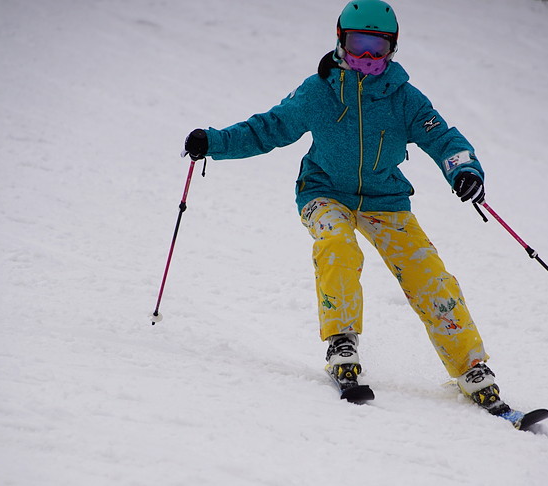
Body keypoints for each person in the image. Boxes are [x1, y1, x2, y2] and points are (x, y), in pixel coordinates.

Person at [184, 0, 509, 415]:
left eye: (379, 46)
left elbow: (443, 138)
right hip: (323, 193)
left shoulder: (404, 98)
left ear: (393, 48)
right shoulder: (318, 91)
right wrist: (213, 142)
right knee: (337, 246)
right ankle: (342, 342)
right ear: (341, 41)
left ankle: (471, 367)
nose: (368, 57)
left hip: (385, 200)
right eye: (359, 44)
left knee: (429, 274)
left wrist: (464, 171)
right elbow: (269, 128)